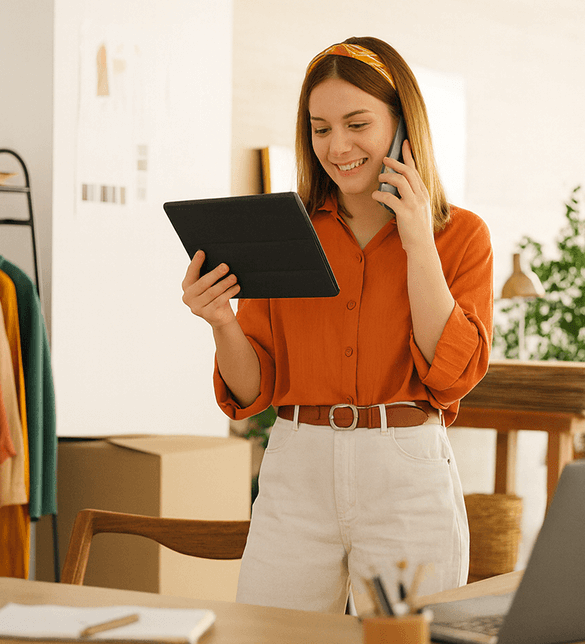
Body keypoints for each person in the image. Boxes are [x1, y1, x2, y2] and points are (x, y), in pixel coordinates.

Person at [181, 36, 493, 614]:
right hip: (297, 468)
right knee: (271, 636)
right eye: (320, 129)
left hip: (406, 475)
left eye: (358, 124)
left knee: (399, 639)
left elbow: (451, 376)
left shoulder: (461, 236)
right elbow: (252, 392)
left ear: (403, 127)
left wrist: (417, 240)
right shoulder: (283, 230)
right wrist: (221, 321)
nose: (338, 146)